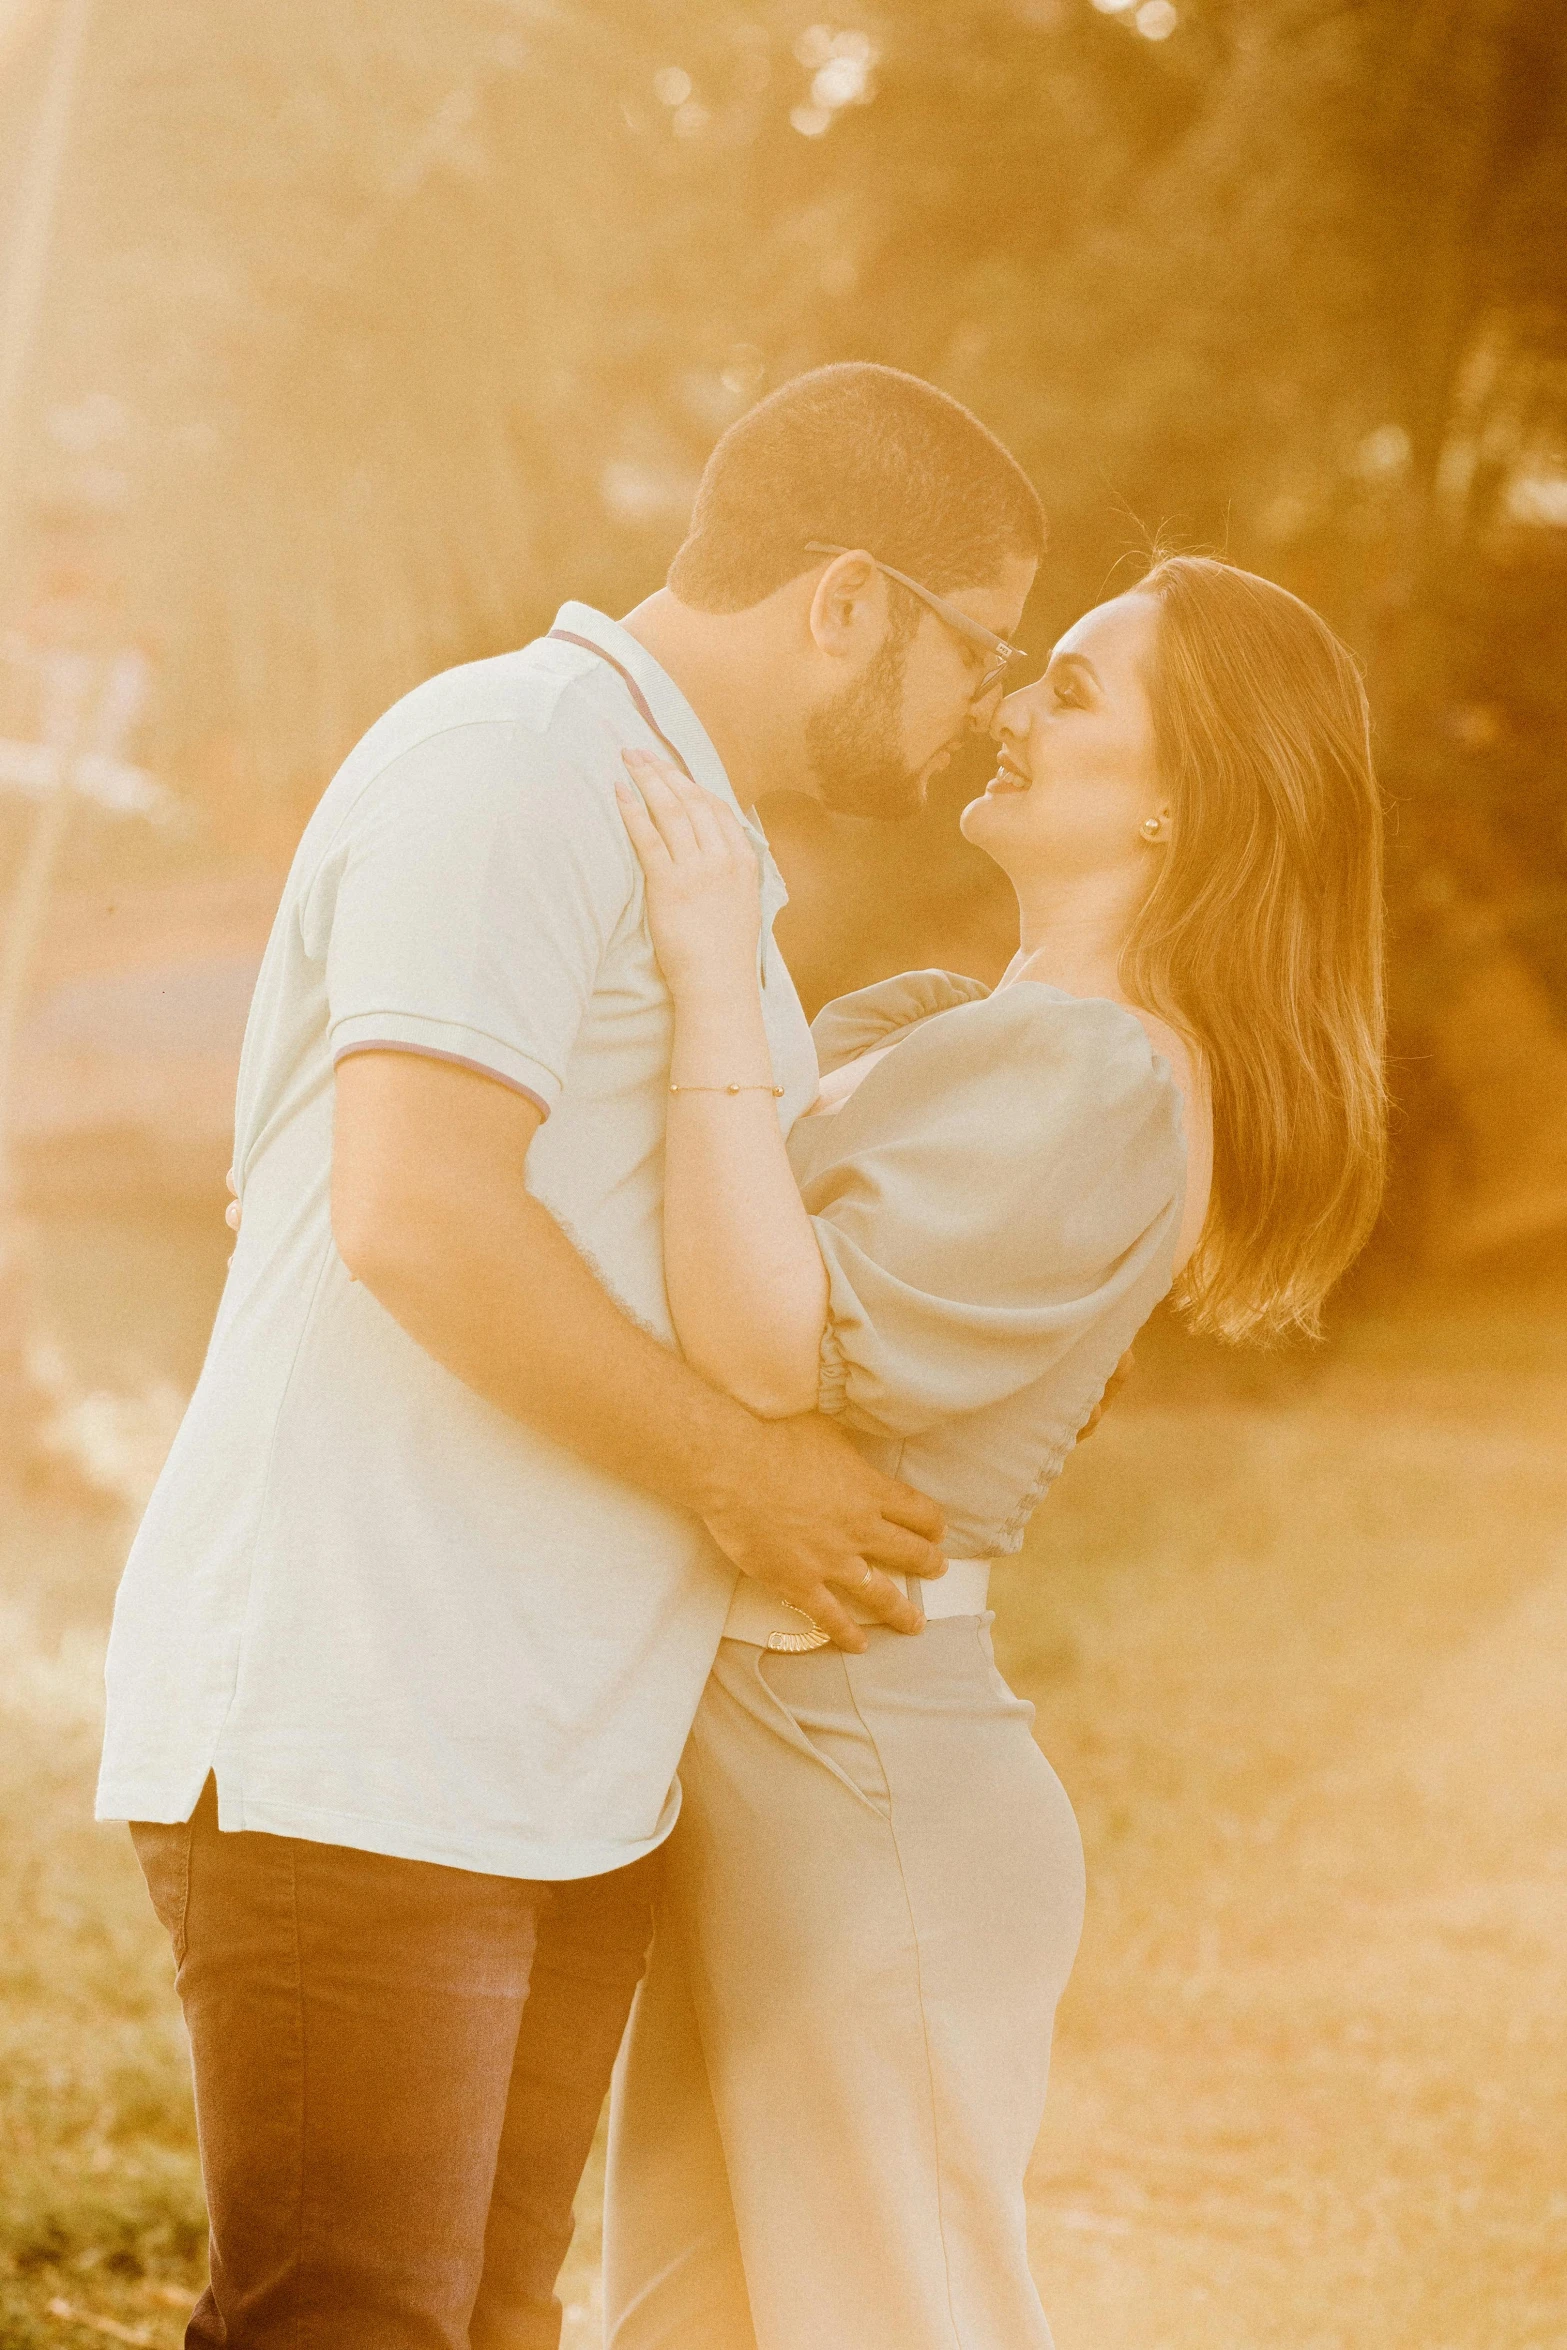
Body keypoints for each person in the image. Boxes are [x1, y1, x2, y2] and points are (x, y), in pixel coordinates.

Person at [94, 363, 1048, 2350]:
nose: (989, 709)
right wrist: (750, 1475)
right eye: (986, 647)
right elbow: (417, 1208)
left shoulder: (706, 846)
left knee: (495, 2320)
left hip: (559, 1757)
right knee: (346, 2322)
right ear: (848, 599)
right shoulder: (517, 758)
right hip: (360, 1723)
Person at [602, 554, 1388, 2350]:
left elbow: (765, 1342)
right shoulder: (980, 1033)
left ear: (1180, 799)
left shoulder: (1101, 1075)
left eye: (1077, 692)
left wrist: (716, 966)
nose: (1013, 706)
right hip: (768, 1769)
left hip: (860, 1776)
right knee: (678, 2324)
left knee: (891, 2318)